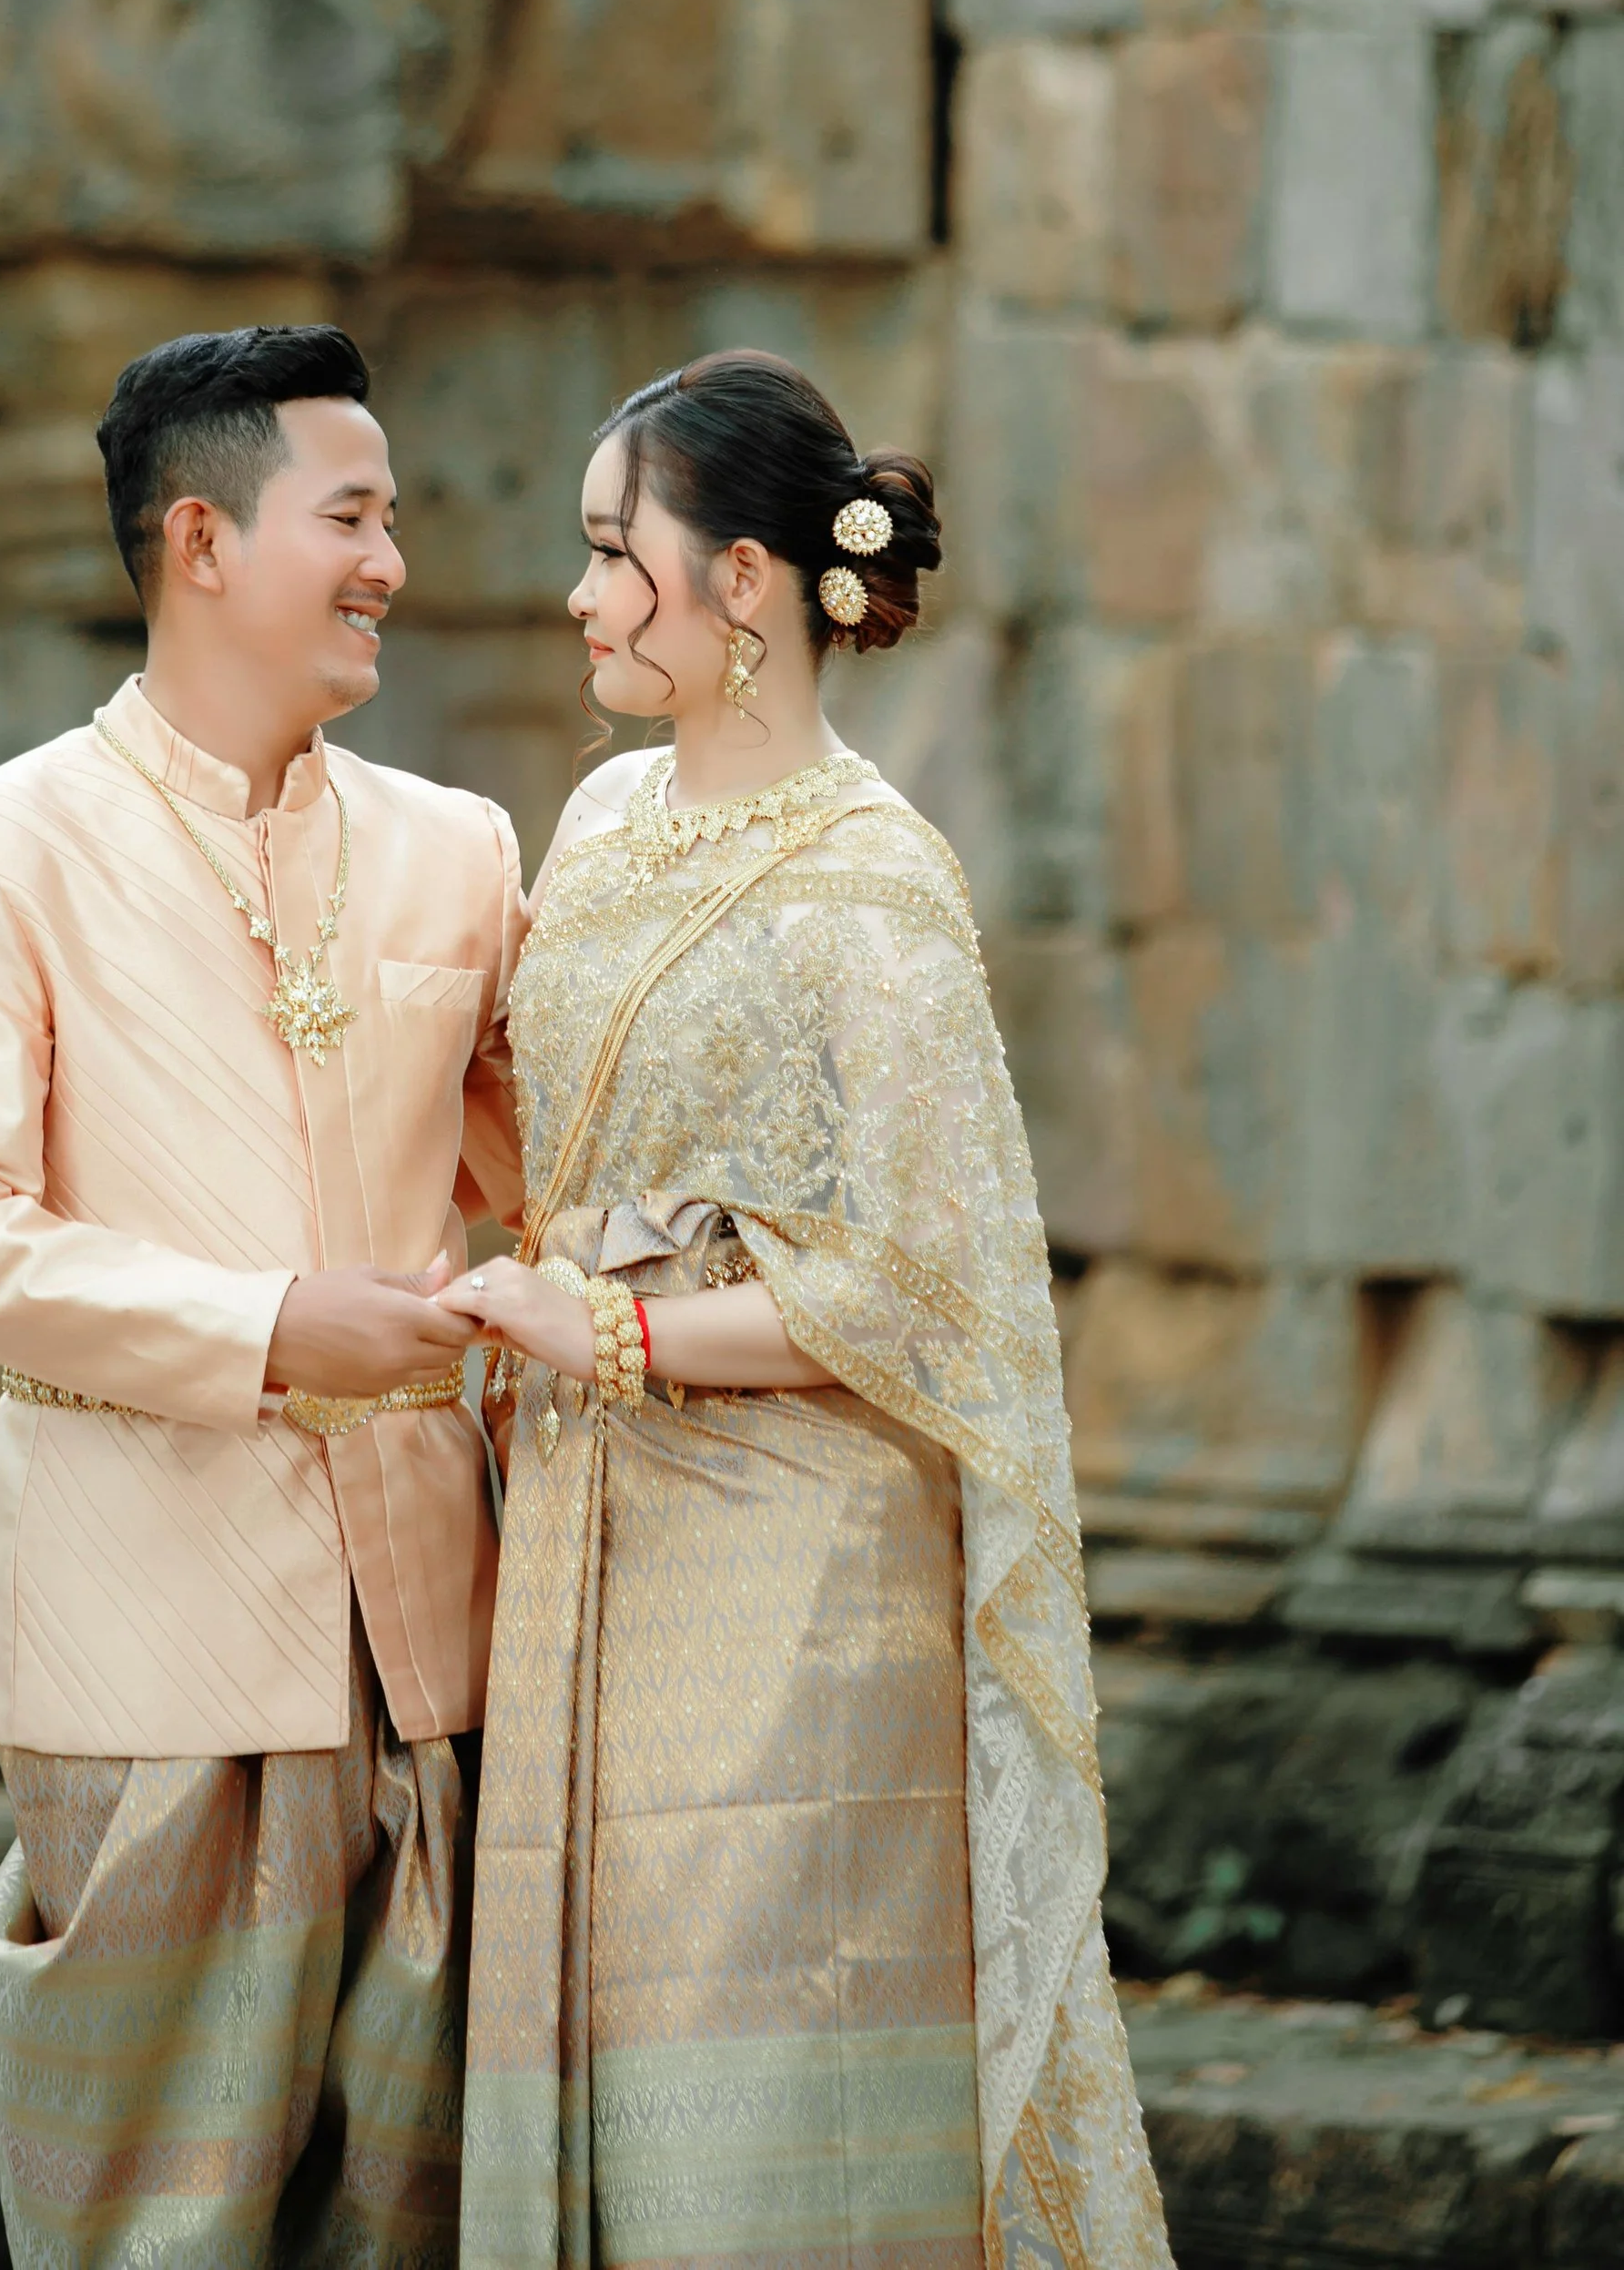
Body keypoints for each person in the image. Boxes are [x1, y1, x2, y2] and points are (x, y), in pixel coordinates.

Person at [442, 351, 1171, 2270]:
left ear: (742, 581)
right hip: (579, 1526)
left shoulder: (871, 880)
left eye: (617, 554)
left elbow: (926, 1288)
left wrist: (606, 1336)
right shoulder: (594, 827)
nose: (584, 595)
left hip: (794, 1556)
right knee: (581, 2039)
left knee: (746, 2060)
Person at [0, 322, 520, 2270]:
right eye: (352, 515)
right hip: (140, 1649)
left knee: (406, 2230)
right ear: (202, 541)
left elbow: (546, 1188)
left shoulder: (457, 848)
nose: (390, 557)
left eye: (391, 516)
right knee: (156, 2230)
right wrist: (259, 1333)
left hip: (432, 1654)